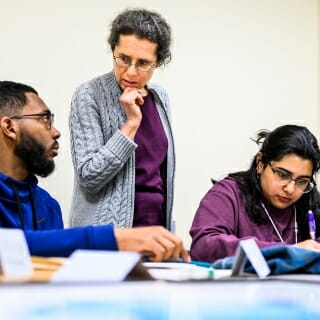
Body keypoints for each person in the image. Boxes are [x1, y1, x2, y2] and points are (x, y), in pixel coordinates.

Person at [0, 80, 190, 262]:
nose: (56, 132)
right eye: (44, 119)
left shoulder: (47, 206)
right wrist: (113, 238)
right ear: (9, 127)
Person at [69, 8, 175, 231]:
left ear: (158, 62)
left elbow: (160, 176)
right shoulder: (89, 94)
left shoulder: (159, 97)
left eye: (143, 63)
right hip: (105, 235)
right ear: (113, 50)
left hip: (154, 233)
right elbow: (89, 177)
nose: (131, 72)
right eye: (123, 59)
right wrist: (131, 124)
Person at [190, 125, 320, 262]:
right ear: (260, 163)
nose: (290, 189)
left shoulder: (309, 199)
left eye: (302, 181)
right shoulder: (229, 193)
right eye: (282, 175)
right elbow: (203, 245)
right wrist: (286, 251)